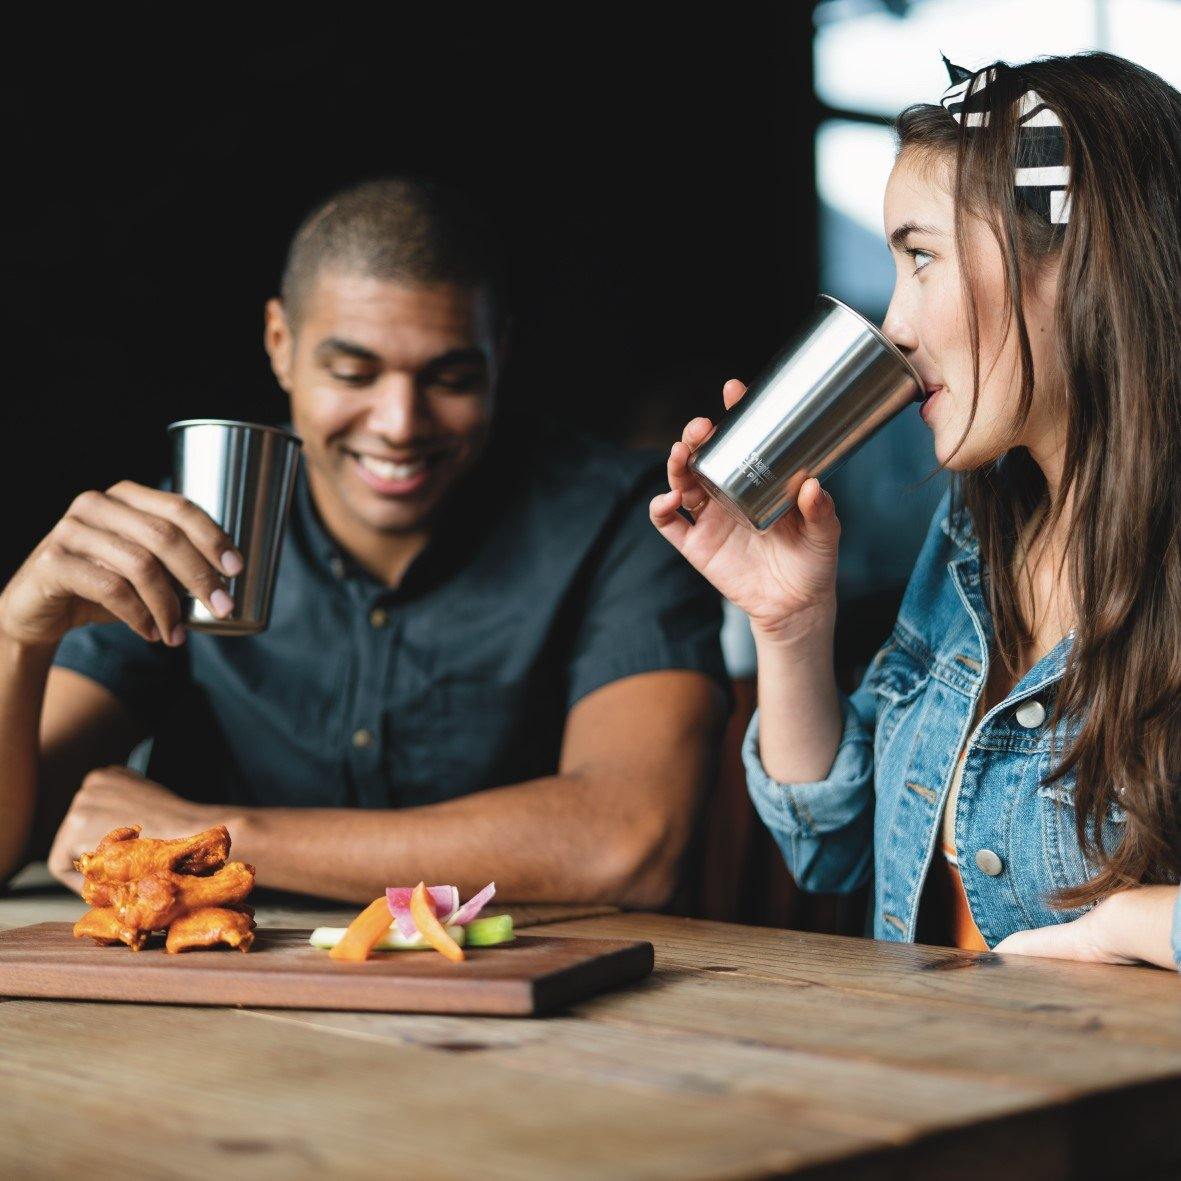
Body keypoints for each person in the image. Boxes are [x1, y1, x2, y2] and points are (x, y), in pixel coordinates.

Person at [0, 178, 727, 906]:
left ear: (499, 352)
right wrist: (15, 638)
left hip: (528, 997)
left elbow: (627, 842)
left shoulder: (623, 518)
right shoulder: (196, 521)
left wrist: (218, 834)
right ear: (280, 345)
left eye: (450, 377)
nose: (400, 423)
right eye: (353, 372)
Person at [652, 52, 1181, 970]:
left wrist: (1126, 925)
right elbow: (833, 850)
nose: (893, 323)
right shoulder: (975, 533)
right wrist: (789, 622)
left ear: (1076, 260)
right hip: (953, 1077)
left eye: (921, 257)